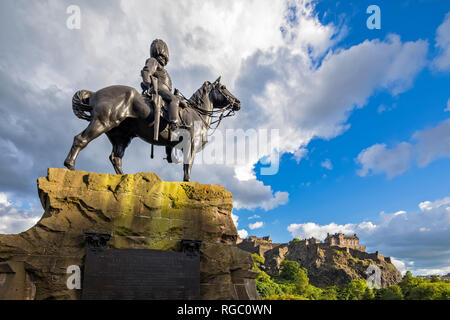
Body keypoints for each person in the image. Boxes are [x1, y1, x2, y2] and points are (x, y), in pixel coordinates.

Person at [141, 39, 181, 131]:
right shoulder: (153, 61)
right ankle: (173, 123)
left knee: (176, 98)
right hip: (158, 89)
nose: (163, 59)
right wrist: (147, 83)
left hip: (164, 91)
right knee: (174, 99)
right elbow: (147, 71)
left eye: (164, 57)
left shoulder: (163, 69)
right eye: (161, 56)